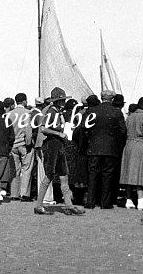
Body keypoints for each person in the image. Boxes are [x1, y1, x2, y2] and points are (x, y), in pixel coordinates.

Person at [34, 87, 85, 216]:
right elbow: (43, 129)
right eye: (61, 100)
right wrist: (59, 134)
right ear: (57, 101)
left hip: (58, 145)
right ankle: (39, 205)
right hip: (52, 145)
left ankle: (69, 205)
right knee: (50, 174)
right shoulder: (52, 112)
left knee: (64, 175)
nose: (63, 102)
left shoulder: (57, 112)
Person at [84, 89, 126, 209]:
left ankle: (90, 201)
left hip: (94, 147)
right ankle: (105, 202)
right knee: (107, 175)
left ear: (101, 97)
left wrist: (90, 140)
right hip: (110, 148)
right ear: (112, 99)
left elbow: (84, 127)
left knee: (92, 175)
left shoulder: (92, 111)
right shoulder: (116, 112)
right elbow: (122, 131)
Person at [120, 97, 143, 210]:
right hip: (140, 146)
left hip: (128, 145)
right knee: (139, 175)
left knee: (129, 174)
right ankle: (140, 200)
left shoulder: (129, 117)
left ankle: (128, 199)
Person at [7, 93, 35, 202]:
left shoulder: (9, 114)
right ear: (24, 101)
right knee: (26, 169)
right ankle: (24, 194)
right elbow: (28, 130)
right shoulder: (28, 113)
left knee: (15, 169)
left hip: (13, 144)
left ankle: (14, 193)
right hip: (23, 144)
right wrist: (28, 143)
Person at [32, 97, 54, 204]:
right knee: (46, 171)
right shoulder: (49, 112)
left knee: (42, 171)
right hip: (45, 144)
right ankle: (47, 197)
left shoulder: (42, 113)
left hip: (39, 144)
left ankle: (43, 196)